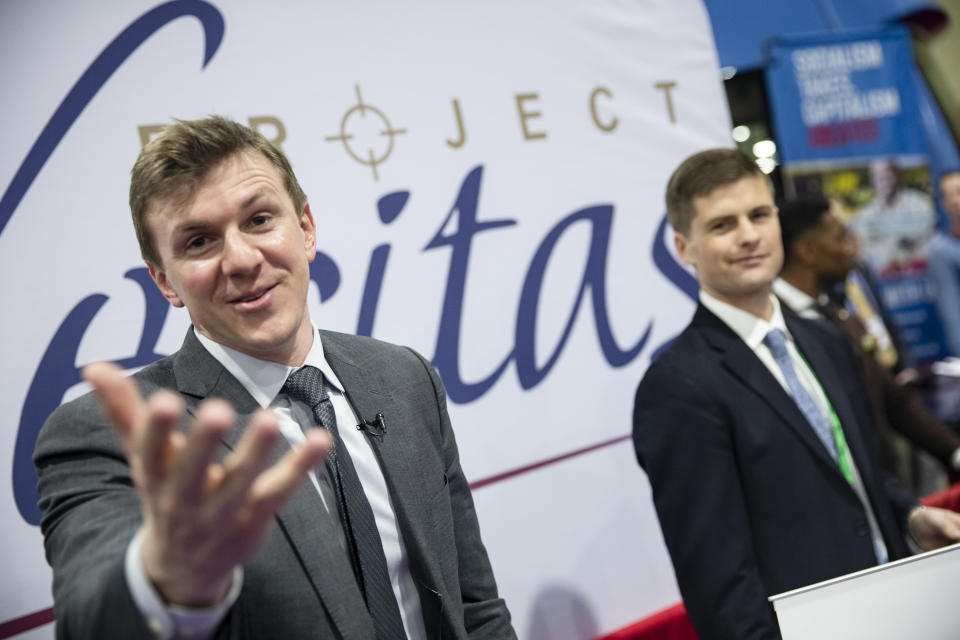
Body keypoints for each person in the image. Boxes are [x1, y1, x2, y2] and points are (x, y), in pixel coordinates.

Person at [33, 116, 516, 640]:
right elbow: (92, 620)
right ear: (164, 281)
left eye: (259, 219)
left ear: (305, 228)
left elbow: (476, 608)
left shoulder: (405, 377)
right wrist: (167, 584)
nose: (241, 259)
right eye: (198, 242)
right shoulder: (105, 433)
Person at [632, 148, 960, 640]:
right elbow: (719, 584)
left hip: (904, 611)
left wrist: (909, 516)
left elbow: (852, 469)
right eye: (722, 225)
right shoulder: (678, 387)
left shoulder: (825, 338)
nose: (748, 235)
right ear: (684, 248)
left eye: (759, 215)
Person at [774, 194, 960, 482]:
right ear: (808, 251)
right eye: (841, 237)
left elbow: (894, 400)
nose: (852, 248)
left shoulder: (840, 319)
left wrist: (954, 452)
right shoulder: (776, 331)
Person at [848, 158, 935, 275]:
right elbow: (862, 249)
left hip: (918, 273)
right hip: (882, 277)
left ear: (897, 176)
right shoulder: (866, 213)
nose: (884, 181)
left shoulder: (919, 203)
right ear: (873, 180)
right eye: (878, 177)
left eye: (887, 175)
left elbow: (930, 240)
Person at [928, 169, 960, 356]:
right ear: (943, 204)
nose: (956, 200)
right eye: (949, 196)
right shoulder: (941, 251)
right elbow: (952, 314)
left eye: (959, 191)